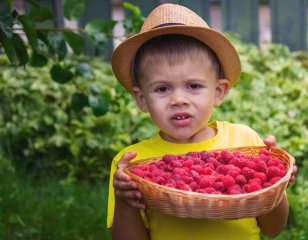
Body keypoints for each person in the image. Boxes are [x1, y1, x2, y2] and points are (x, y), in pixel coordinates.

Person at [108, 3, 296, 240]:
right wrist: (124, 201)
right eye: (163, 88)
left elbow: (273, 228)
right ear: (142, 99)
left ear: (218, 91)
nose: (178, 99)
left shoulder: (245, 142)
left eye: (193, 86)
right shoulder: (131, 165)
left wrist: (275, 184)